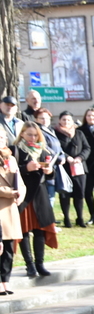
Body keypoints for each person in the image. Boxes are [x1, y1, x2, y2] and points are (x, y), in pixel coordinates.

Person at [14, 122, 58, 278]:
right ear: (22, 134)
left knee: (40, 229)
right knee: (24, 230)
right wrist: (26, 168)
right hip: (23, 194)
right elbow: (9, 172)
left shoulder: (44, 150)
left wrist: (49, 170)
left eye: (35, 135)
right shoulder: (16, 150)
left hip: (40, 193)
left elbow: (51, 175)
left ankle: (40, 263)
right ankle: (30, 265)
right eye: (29, 135)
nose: (33, 138)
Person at [54, 112, 89, 229]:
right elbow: (56, 149)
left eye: (69, 120)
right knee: (65, 194)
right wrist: (66, 157)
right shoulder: (56, 133)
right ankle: (66, 218)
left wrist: (80, 158)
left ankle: (80, 218)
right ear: (59, 121)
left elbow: (87, 148)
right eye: (64, 120)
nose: (66, 122)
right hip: (64, 168)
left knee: (79, 194)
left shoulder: (79, 133)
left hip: (79, 168)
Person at [0, 134, 25, 295]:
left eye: (2, 138)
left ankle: (6, 281)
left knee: (8, 248)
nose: (0, 140)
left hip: (10, 208)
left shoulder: (11, 159)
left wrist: (21, 193)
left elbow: (20, 181)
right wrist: (9, 192)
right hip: (1, 204)